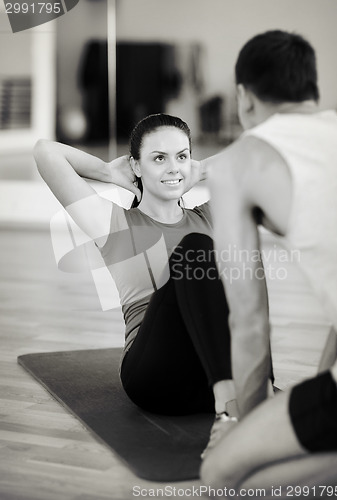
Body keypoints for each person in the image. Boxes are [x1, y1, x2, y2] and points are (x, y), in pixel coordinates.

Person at [200, 30, 337, 490]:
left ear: (243, 98)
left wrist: (247, 425)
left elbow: (249, 325)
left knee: (224, 474)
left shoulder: (235, 164)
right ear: (311, 91)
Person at [34, 113, 240, 419]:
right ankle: (231, 399)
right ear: (136, 166)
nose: (172, 167)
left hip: (207, 373)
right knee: (195, 249)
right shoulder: (114, 224)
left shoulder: (208, 217)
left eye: (181, 156)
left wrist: (199, 170)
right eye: (159, 158)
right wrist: (106, 171)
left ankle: (242, 389)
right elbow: (45, 151)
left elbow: (258, 158)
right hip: (157, 378)